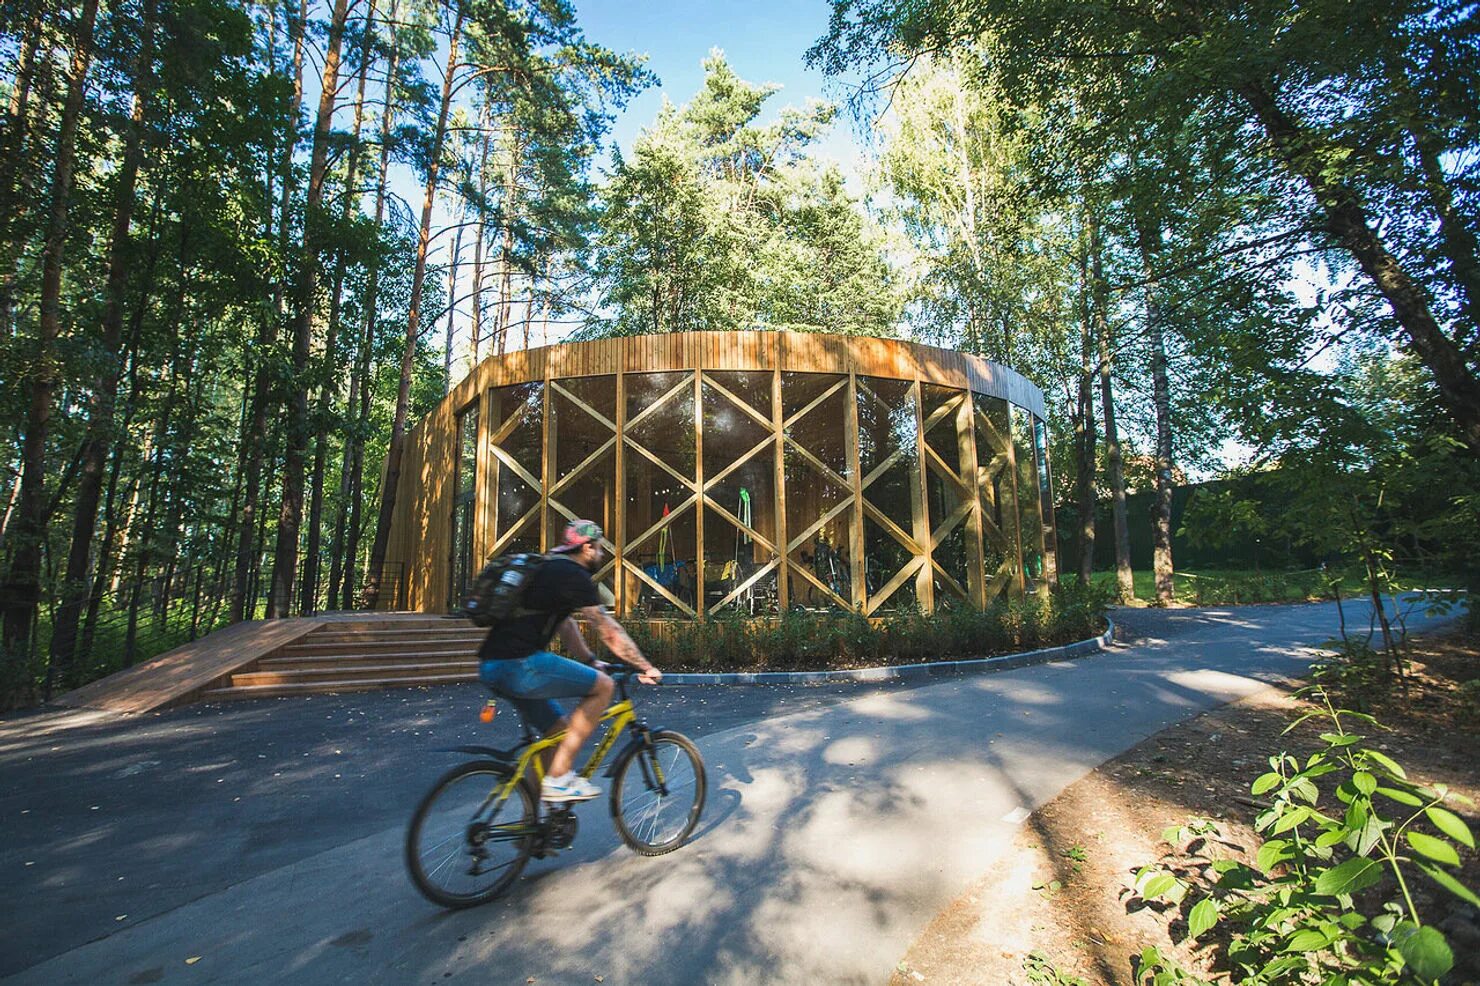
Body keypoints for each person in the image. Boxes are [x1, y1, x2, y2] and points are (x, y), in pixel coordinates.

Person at [478, 519, 662, 802]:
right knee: (603, 687)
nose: (601, 555)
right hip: (519, 664)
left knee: (558, 734)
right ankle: (560, 779)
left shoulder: (549, 568)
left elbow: (565, 625)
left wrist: (590, 660)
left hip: (493, 664)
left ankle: (533, 832)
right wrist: (645, 666)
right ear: (587, 547)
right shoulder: (573, 575)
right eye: (600, 548)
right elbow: (608, 630)